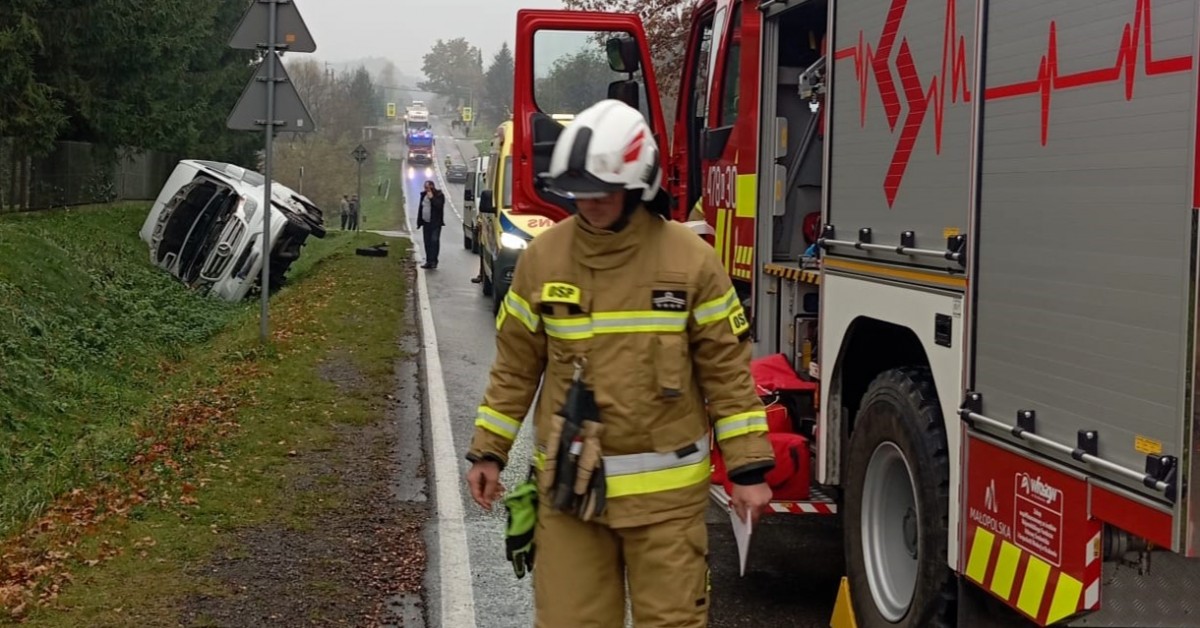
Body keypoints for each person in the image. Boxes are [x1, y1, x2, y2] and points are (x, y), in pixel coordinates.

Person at [464, 99, 774, 628]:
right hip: (570, 497)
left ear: (640, 182)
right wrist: (488, 453)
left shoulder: (691, 261)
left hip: (668, 506)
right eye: (580, 190)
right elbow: (515, 367)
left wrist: (748, 470)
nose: (591, 202)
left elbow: (727, 371)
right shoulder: (543, 258)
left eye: (603, 189)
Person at [416, 180, 445, 269]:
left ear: (432, 187)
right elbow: (421, 209)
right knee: (427, 242)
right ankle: (428, 261)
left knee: (434, 241)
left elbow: (439, 206)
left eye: (428, 188)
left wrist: (432, 198)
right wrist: (419, 222)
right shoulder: (423, 195)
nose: (426, 190)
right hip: (426, 223)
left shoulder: (439, 195)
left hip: (435, 223)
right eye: (425, 188)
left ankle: (434, 261)